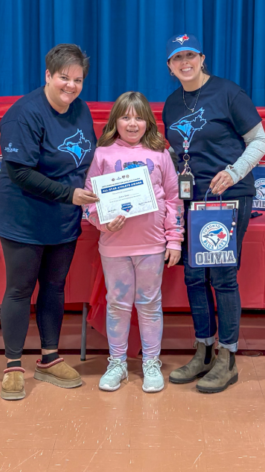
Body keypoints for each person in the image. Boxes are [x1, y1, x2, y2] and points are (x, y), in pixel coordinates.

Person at [0, 44, 99, 401]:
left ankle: (49, 359)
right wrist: (69, 194)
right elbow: (20, 172)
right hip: (24, 216)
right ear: (48, 76)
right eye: (64, 78)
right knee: (20, 289)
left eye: (78, 80)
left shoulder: (80, 109)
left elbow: (88, 158)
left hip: (63, 216)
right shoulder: (23, 114)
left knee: (54, 287)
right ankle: (12, 366)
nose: (71, 86)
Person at [162, 34, 265, 393]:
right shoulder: (171, 104)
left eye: (190, 55)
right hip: (192, 199)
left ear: (202, 58)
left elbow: (259, 141)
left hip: (228, 197)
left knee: (222, 276)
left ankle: (228, 357)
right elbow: (178, 153)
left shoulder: (228, 92)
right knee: (194, 276)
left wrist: (234, 173)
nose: (185, 63)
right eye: (178, 58)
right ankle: (203, 350)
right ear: (170, 66)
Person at [84, 91, 183, 393]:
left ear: (148, 122)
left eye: (138, 117)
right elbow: (88, 199)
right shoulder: (102, 154)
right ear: (115, 121)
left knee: (150, 305)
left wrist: (174, 240)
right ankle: (117, 363)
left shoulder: (160, 154)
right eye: (125, 117)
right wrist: (102, 222)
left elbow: (174, 199)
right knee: (117, 304)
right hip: (114, 246)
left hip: (152, 246)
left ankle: (151, 362)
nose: (132, 123)